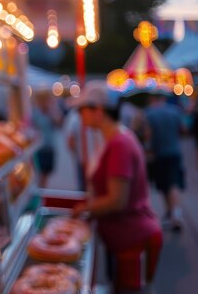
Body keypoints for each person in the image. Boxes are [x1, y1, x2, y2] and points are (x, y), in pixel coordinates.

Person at [70, 81, 162, 294]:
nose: (79, 116)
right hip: (124, 238)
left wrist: (84, 209)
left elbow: (117, 200)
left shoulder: (119, 144)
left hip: (132, 238)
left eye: (82, 110)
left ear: (98, 110)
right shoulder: (115, 138)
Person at [144, 93, 185, 231]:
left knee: (164, 184)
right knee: (173, 182)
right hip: (174, 152)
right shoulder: (175, 111)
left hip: (158, 154)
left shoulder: (149, 113)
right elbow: (182, 129)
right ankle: (174, 213)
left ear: (152, 98)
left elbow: (147, 135)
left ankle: (173, 212)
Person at [63, 108, 104, 191]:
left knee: (85, 189)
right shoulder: (76, 117)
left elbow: (70, 141)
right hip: (92, 160)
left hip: (84, 160)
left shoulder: (73, 117)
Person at [31, 92, 62, 188]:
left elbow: (59, 124)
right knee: (39, 174)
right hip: (39, 149)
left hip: (50, 147)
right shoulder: (35, 113)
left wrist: (52, 112)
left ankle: (42, 190)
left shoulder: (52, 112)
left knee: (46, 174)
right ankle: (40, 191)